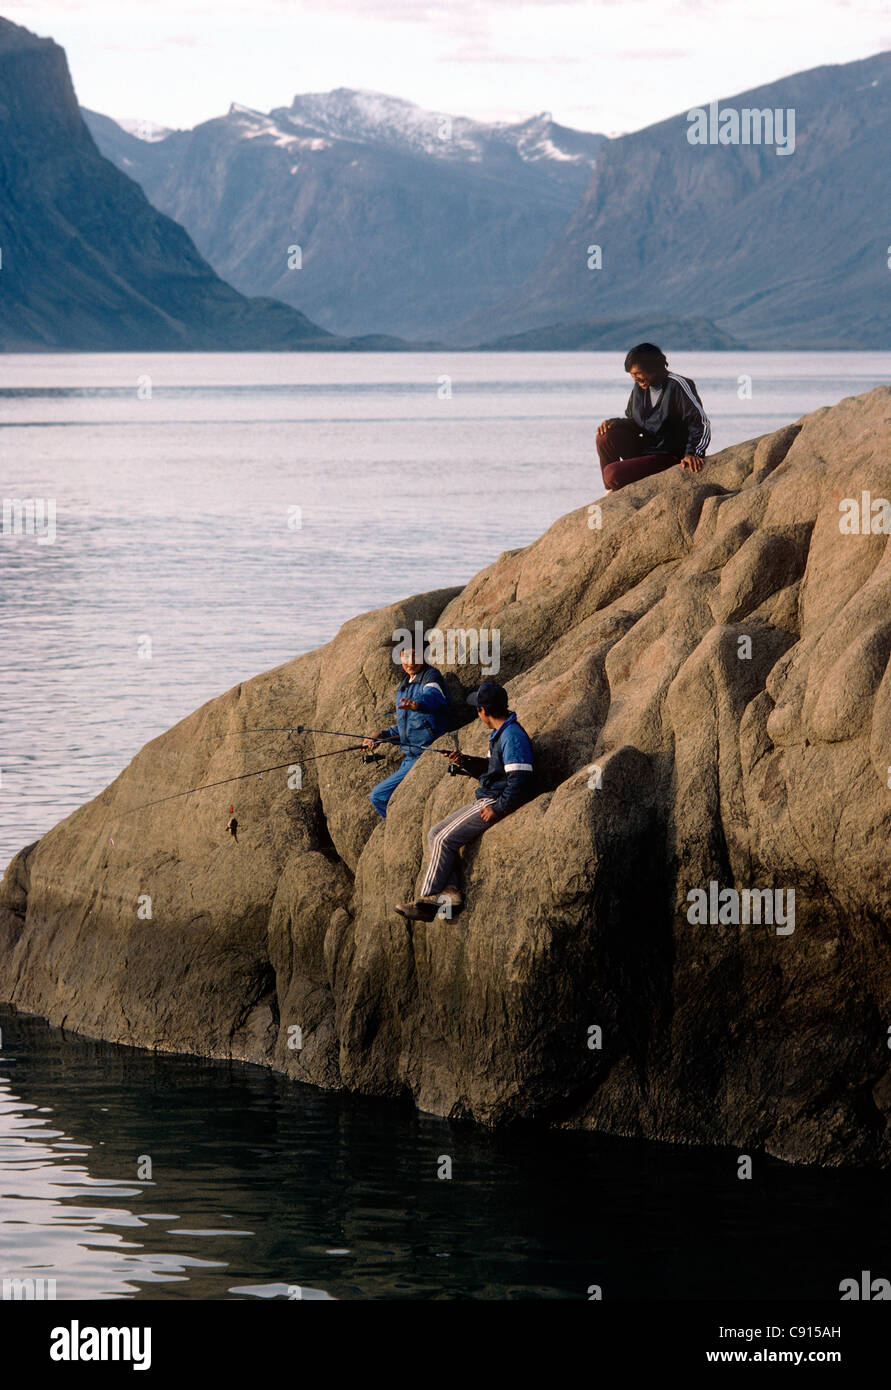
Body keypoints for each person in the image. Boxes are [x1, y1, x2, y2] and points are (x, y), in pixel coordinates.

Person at [395, 681, 534, 923]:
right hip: (490, 797)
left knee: (442, 839)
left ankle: (428, 899)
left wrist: (498, 809)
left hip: (493, 801)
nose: (477, 713)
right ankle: (450, 893)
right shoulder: (501, 732)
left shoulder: (512, 737)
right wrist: (465, 762)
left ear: (484, 711)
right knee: (434, 833)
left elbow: (521, 779)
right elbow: (493, 771)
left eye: (477, 709)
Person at [596, 342, 711, 491]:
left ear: (653, 366)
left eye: (638, 374)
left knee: (612, 473)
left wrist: (693, 453)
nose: (635, 379)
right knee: (604, 436)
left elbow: (701, 423)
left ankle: (614, 483)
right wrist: (614, 423)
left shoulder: (678, 385)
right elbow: (635, 423)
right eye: (632, 375)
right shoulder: (640, 387)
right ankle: (613, 490)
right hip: (647, 449)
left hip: (670, 456)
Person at [364, 647, 449, 818]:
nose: (410, 663)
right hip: (409, 756)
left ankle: (393, 833)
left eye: (414, 657)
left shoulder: (432, 677)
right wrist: (381, 735)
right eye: (406, 658)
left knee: (378, 796)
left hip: (424, 753)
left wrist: (417, 704)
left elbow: (433, 697)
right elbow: (406, 726)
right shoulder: (404, 686)